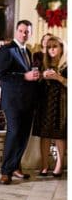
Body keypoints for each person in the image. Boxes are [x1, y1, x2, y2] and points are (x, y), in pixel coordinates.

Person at [0, 19, 40, 185]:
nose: (23, 34)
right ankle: (6, 171)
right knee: (14, 134)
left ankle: (15, 166)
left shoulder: (27, 51)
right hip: (12, 101)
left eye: (27, 31)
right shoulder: (6, 49)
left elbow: (26, 75)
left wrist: (35, 76)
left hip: (27, 100)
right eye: (21, 31)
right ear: (16, 31)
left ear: (30, 33)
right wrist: (24, 77)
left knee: (23, 136)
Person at [33, 36, 66, 177]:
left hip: (61, 103)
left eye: (55, 46)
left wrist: (58, 77)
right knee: (44, 135)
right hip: (45, 102)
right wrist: (42, 75)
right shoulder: (43, 64)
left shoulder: (66, 65)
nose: (52, 49)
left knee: (59, 135)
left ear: (61, 49)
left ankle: (59, 165)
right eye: (49, 47)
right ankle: (44, 165)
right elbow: (35, 82)